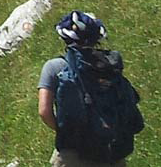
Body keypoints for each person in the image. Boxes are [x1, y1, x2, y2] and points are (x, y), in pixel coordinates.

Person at [39, 12, 143, 167]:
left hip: (73, 154)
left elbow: (44, 111)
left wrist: (65, 132)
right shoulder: (109, 65)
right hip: (111, 151)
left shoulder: (54, 67)